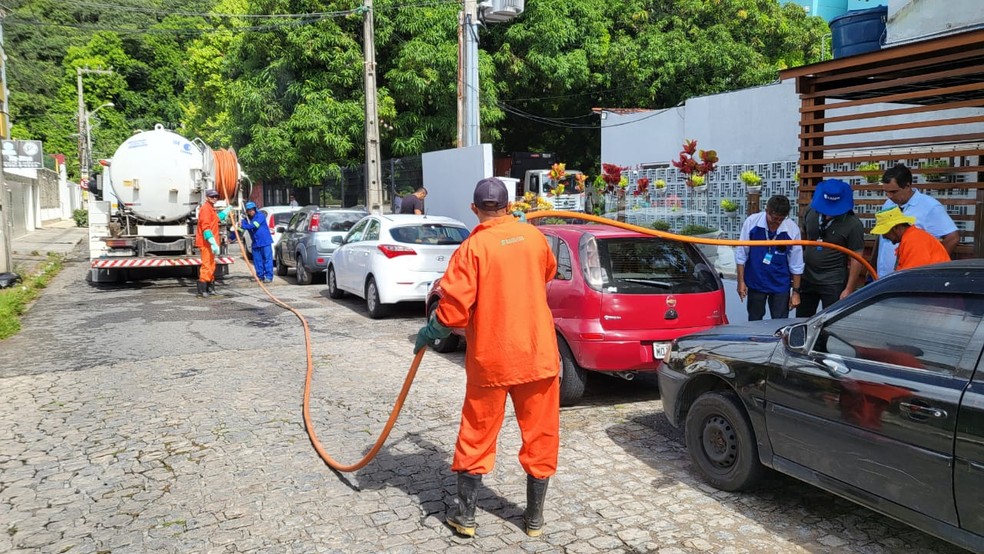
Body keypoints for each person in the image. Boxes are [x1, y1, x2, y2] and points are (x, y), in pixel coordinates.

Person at [414, 177, 559, 539]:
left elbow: (454, 311)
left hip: (492, 359)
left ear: (475, 208)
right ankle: (534, 521)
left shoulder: (472, 249)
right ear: (508, 206)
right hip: (537, 354)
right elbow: (549, 271)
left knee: (477, 435)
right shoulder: (534, 237)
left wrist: (431, 330)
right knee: (540, 436)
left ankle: (466, 518)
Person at [874, 163, 958, 278]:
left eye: (893, 192)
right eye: (886, 192)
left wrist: (932, 266)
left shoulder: (930, 206)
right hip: (885, 276)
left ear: (907, 186)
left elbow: (952, 238)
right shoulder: (888, 204)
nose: (889, 196)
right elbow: (882, 239)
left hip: (914, 277)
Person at [797, 179, 865, 318]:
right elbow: (802, 238)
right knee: (802, 319)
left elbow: (856, 258)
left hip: (833, 281)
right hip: (808, 277)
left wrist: (849, 289)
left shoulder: (853, 224)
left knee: (831, 321)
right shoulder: (811, 211)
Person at [735, 195, 804, 321]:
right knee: (754, 321)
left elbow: (797, 263)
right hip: (756, 282)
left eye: (781, 220)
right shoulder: (752, 222)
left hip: (780, 284)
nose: (777, 223)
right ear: (766, 211)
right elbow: (741, 254)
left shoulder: (792, 229)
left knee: (780, 324)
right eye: (774, 218)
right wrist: (741, 282)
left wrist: (795, 292)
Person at [869, 206, 950, 271]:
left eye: (885, 232)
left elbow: (912, 276)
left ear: (895, 227)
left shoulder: (914, 240)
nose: (883, 236)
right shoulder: (910, 238)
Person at [196, 190, 231, 298]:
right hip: (206, 242)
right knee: (206, 265)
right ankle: (203, 289)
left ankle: (210, 287)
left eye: (216, 196)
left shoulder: (211, 208)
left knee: (212, 265)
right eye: (212, 196)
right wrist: (212, 242)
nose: (215, 198)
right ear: (207, 197)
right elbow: (205, 227)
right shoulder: (205, 209)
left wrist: (226, 212)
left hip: (211, 242)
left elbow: (215, 219)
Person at [239, 201, 275, 283]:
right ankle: (260, 276)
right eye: (249, 210)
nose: (251, 211)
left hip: (265, 241)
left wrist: (243, 225)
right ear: (246, 211)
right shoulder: (246, 220)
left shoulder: (260, 216)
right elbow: (241, 229)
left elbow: (254, 225)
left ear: (255, 209)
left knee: (267, 259)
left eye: (252, 210)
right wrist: (237, 227)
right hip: (255, 243)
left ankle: (269, 276)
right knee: (257, 261)